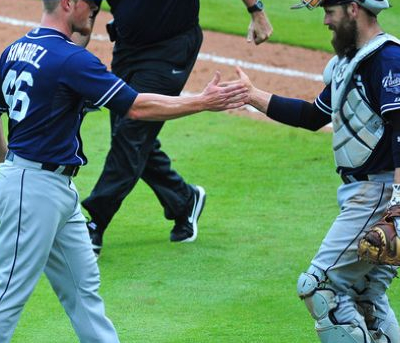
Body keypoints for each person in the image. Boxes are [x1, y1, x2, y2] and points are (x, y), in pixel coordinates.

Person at [0, 0, 246, 343]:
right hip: (32, 189)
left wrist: (4, 160)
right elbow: (136, 107)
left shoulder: (17, 48)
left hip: (54, 189)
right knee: (8, 292)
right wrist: (200, 101)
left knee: (84, 291)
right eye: (90, 4)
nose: (96, 10)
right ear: (68, 4)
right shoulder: (71, 59)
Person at [236, 0, 400, 343]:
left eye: (330, 12)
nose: (324, 21)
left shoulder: (388, 60)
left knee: (320, 288)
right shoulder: (349, 63)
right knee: (366, 294)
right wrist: (252, 96)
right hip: (371, 194)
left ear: (353, 9)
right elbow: (312, 115)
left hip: (382, 194)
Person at [76, 0, 273, 255]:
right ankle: (184, 201)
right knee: (132, 138)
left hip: (172, 47)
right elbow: (85, 15)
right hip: (127, 48)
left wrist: (256, 10)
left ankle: (95, 223)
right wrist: (67, 57)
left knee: (131, 134)